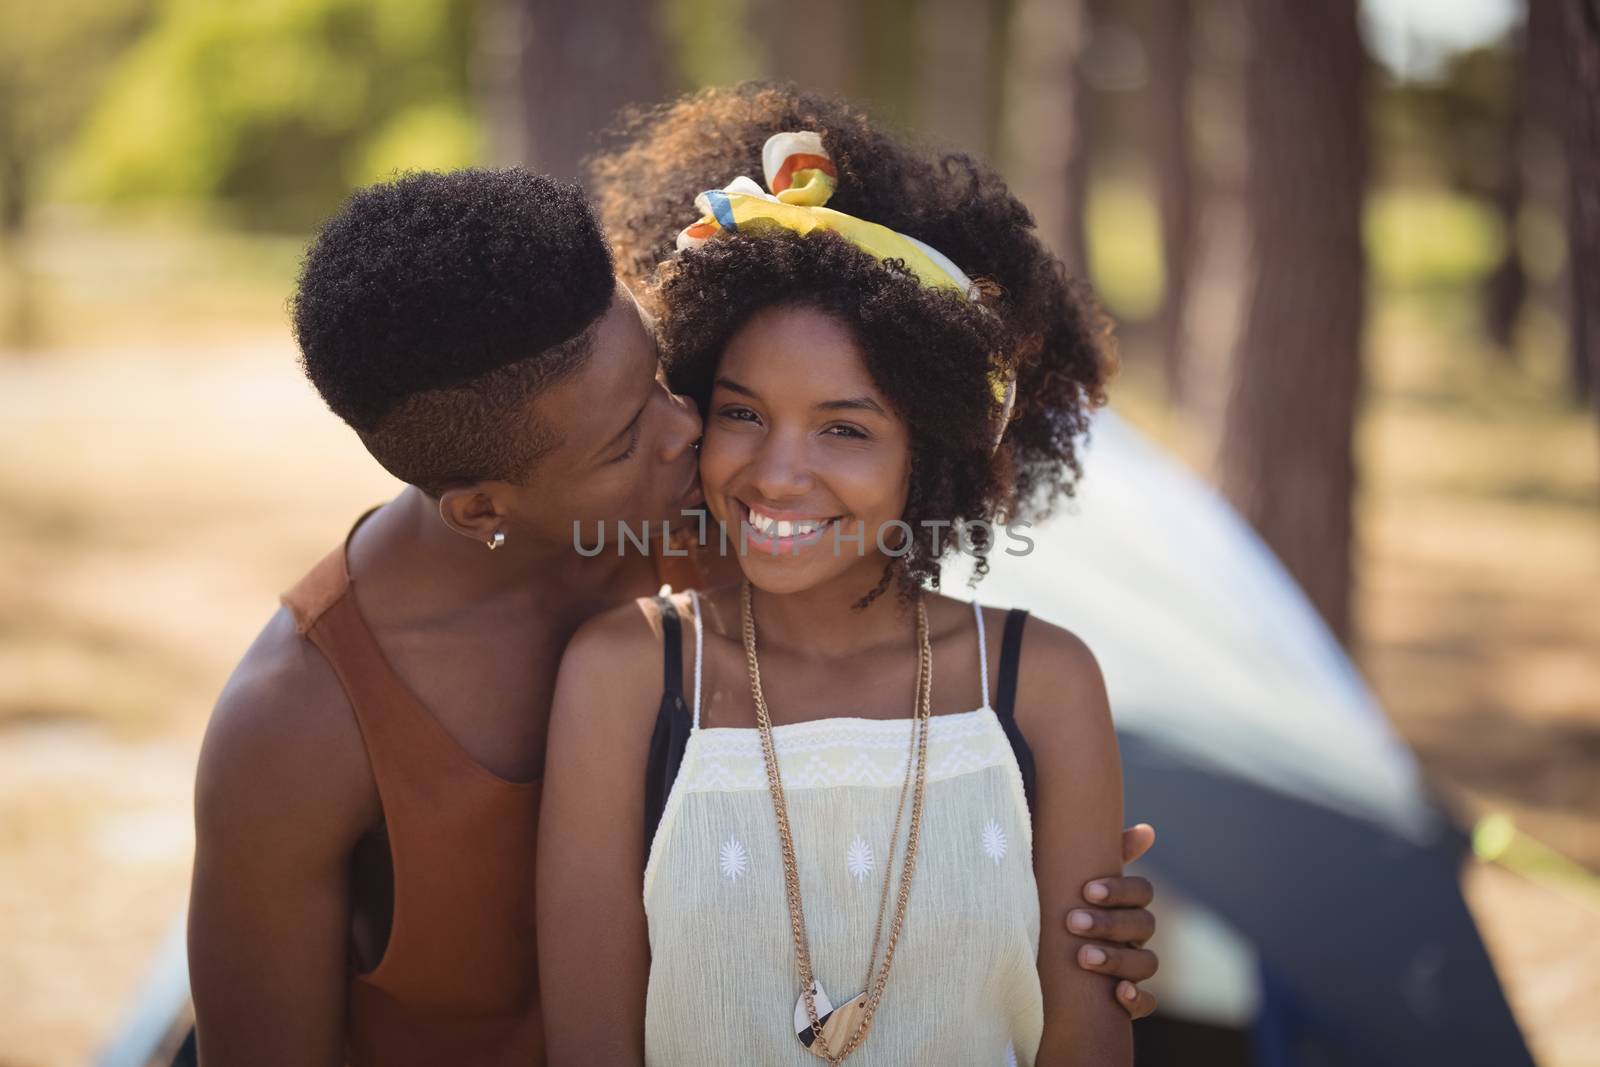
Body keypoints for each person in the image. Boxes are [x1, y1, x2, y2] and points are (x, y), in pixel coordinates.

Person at [188, 165, 1156, 1064]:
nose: (685, 426)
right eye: (625, 437)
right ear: (484, 506)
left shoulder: (737, 522)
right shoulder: (293, 727)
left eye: (659, 376)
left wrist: (1023, 873)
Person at [536, 101, 1131, 1065]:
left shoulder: (1042, 683)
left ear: (931, 456)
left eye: (845, 428)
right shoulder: (626, 674)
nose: (776, 473)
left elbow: (1087, 1037)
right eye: (742, 413)